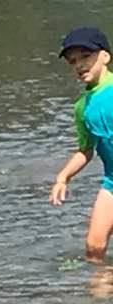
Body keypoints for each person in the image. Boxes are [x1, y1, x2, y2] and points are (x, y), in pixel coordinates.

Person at [50, 27, 113, 262]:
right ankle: (101, 284)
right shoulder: (81, 107)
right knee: (94, 249)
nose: (79, 65)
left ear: (105, 56)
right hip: (111, 183)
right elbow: (85, 150)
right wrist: (62, 177)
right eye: (73, 61)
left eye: (86, 56)